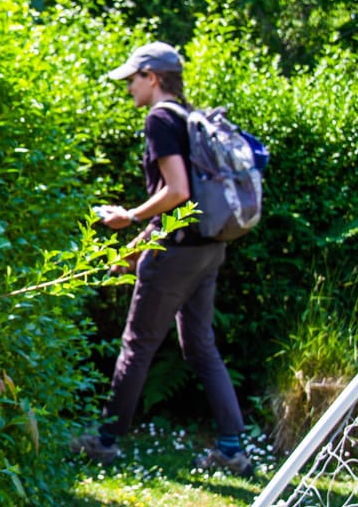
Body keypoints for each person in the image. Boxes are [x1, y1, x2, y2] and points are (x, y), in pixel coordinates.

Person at [70, 42, 253, 477]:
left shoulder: (160, 119)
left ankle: (104, 442)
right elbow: (183, 207)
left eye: (132, 79)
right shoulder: (191, 116)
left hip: (176, 254)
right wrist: (135, 252)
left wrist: (127, 217)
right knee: (200, 345)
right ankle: (232, 450)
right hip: (207, 247)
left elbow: (177, 192)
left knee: (137, 344)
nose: (129, 88)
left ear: (152, 77)